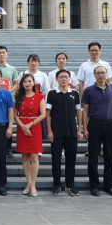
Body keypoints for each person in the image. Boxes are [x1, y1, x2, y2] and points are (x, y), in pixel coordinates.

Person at [82, 66, 112, 197]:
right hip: (94, 124)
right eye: (98, 73)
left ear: (107, 74)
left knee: (109, 156)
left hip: (110, 124)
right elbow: (85, 110)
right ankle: (94, 186)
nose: (101, 75)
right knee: (93, 156)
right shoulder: (88, 90)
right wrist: (84, 127)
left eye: (103, 73)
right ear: (94, 75)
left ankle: (109, 186)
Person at [46, 69, 82, 197]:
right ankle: (57, 184)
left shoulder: (75, 94)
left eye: (66, 77)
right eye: (61, 77)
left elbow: (79, 112)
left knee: (71, 159)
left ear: (70, 79)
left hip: (72, 132)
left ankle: (70, 184)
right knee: (56, 160)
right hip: (56, 132)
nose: (64, 79)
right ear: (56, 79)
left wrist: (79, 129)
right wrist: (49, 130)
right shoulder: (52, 93)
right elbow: (47, 113)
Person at [78, 42, 112, 158]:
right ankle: (92, 147)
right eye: (92, 50)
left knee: (102, 121)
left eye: (96, 50)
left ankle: (102, 148)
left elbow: (109, 81)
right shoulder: (84, 65)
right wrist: (82, 98)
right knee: (90, 121)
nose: (94, 52)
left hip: (103, 97)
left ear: (100, 51)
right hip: (90, 97)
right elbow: (81, 83)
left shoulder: (105, 64)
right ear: (88, 51)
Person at [14, 73, 46, 197]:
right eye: (25, 81)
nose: (27, 83)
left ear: (33, 83)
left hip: (34, 126)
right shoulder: (18, 97)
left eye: (29, 81)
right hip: (22, 126)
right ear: (22, 84)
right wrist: (23, 126)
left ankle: (33, 185)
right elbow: (15, 114)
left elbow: (43, 114)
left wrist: (30, 125)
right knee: (25, 157)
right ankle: (28, 183)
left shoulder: (40, 96)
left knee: (34, 157)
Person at [23, 54, 51, 143]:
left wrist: (47, 104)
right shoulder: (23, 74)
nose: (33, 63)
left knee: (39, 123)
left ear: (38, 63)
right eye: (31, 61)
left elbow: (47, 89)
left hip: (39, 101)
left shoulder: (43, 74)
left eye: (35, 61)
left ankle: (38, 143)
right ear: (28, 63)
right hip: (26, 100)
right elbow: (20, 88)